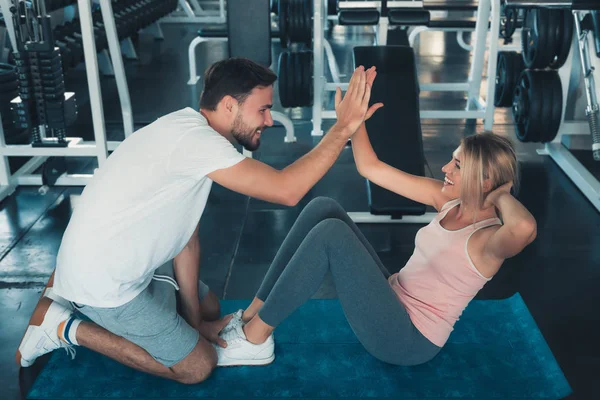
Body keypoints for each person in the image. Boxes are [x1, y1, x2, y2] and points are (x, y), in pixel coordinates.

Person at [15, 58, 381, 384]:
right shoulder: (197, 143)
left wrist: (195, 324)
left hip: (114, 261)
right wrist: (342, 128)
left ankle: (66, 299)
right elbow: (286, 190)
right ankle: (61, 326)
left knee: (208, 311)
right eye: (263, 110)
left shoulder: (192, 130)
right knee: (197, 365)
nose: (269, 120)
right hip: (105, 284)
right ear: (227, 105)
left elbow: (187, 240)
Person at [212, 67, 538, 367]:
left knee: (331, 236)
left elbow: (524, 227)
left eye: (456, 166)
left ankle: (255, 339)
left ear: (484, 182)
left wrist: (500, 195)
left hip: (408, 340)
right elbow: (371, 168)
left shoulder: (488, 241)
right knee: (323, 208)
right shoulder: (448, 200)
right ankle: (251, 317)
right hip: (391, 298)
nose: (445, 169)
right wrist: (354, 123)